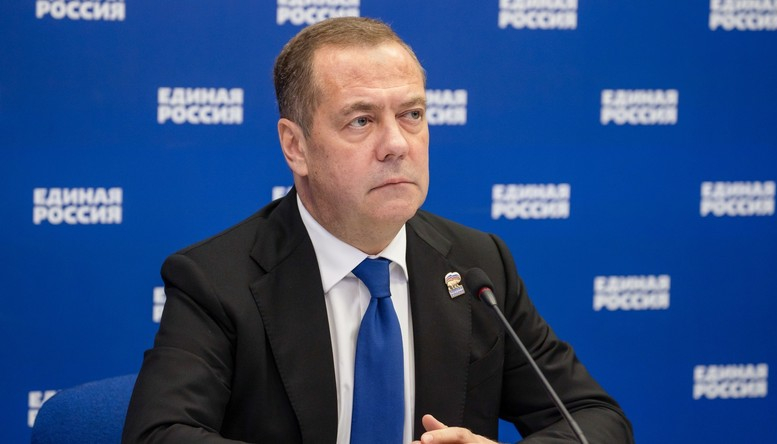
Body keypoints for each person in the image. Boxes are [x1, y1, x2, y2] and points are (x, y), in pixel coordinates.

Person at [123, 16, 634, 444]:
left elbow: (596, 418)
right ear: (296, 147)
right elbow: (158, 434)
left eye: (412, 114)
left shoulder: (478, 265)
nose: (397, 144)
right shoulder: (216, 280)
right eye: (361, 121)